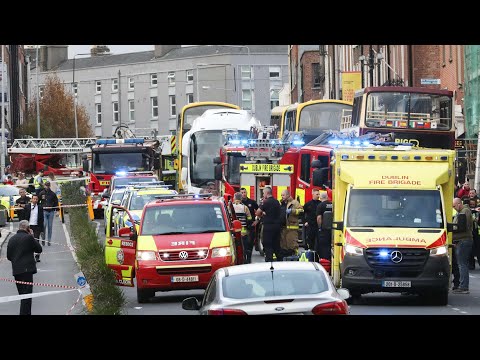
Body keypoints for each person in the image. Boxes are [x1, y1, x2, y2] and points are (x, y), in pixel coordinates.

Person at [6, 220, 43, 315]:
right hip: (27, 271)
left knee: (22, 295)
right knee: (27, 296)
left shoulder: (11, 239)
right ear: (27, 228)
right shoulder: (29, 238)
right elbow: (39, 249)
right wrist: (32, 236)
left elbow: (9, 256)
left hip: (17, 271)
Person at [452, 197, 473, 294]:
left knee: (462, 264)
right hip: (462, 240)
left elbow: (462, 227)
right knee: (461, 264)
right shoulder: (463, 211)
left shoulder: (465, 212)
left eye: (454, 206)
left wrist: (452, 234)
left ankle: (464, 287)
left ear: (459, 204)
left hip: (464, 240)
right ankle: (462, 285)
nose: (454, 208)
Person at [255, 187, 281, 262]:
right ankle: (280, 261)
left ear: (266, 193)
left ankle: (269, 261)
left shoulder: (265, 202)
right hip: (277, 226)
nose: (263, 195)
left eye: (263, 193)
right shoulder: (277, 202)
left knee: (267, 244)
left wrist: (262, 214)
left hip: (268, 226)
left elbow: (257, 212)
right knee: (276, 245)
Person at [279, 189, 303, 258]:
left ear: (288, 195)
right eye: (281, 195)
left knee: (292, 245)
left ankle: (295, 257)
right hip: (284, 228)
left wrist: (292, 211)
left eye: (283, 195)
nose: (282, 196)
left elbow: (301, 211)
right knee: (284, 245)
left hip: (292, 228)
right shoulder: (282, 203)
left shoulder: (295, 203)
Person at [232, 192, 253, 263]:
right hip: (243, 232)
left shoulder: (230, 207)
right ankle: (245, 260)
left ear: (234, 198)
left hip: (233, 232)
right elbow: (250, 218)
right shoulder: (245, 207)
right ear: (241, 198)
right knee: (244, 248)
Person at [24, 194, 45, 262]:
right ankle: (28, 256)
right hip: (28, 226)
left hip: (37, 226)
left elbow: (42, 219)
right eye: (34, 199)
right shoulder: (27, 207)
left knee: (36, 241)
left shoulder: (40, 207)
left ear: (38, 200)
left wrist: (41, 229)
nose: (35, 200)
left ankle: (37, 256)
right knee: (27, 241)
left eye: (36, 199)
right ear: (31, 199)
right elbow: (24, 216)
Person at [38, 181, 59, 246]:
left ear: (49, 186)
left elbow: (56, 202)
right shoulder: (41, 193)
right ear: (44, 186)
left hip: (51, 211)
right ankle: (43, 239)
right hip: (44, 211)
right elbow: (38, 201)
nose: (46, 187)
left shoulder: (52, 194)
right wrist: (39, 208)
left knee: (50, 226)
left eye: (48, 185)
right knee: (44, 225)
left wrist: (57, 211)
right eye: (45, 185)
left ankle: (49, 241)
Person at [240, 187, 259, 259]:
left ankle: (249, 258)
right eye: (242, 193)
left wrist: (257, 220)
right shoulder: (239, 203)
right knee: (243, 244)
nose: (243, 194)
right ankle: (243, 258)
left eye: (244, 192)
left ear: (246, 193)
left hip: (250, 226)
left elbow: (259, 211)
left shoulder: (252, 202)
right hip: (242, 227)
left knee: (250, 243)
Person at [316, 192, 333, 261]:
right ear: (327, 197)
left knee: (323, 247)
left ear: (320, 197)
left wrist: (320, 227)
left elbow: (319, 218)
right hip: (333, 229)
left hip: (324, 230)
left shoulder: (320, 205)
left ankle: (325, 261)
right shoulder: (332, 205)